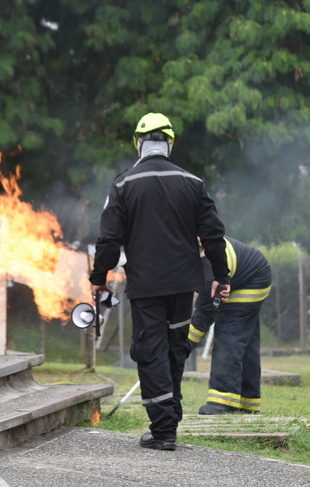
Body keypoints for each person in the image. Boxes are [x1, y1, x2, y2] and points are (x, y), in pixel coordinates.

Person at [89, 113, 230, 451]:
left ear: (138, 144)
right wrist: (221, 276)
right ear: (169, 143)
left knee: (150, 350)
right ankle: (172, 416)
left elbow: (109, 239)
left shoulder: (123, 184)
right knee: (174, 348)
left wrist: (99, 279)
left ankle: (164, 429)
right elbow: (213, 235)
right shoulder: (193, 182)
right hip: (184, 285)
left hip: (146, 285)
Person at [187, 236, 272, 415]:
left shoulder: (209, 264)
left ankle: (222, 401)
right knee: (246, 343)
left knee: (228, 333)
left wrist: (183, 347)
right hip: (246, 273)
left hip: (252, 279)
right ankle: (248, 402)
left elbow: (203, 315)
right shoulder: (190, 253)